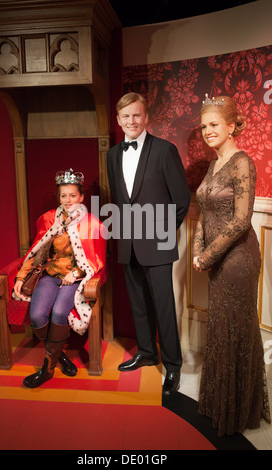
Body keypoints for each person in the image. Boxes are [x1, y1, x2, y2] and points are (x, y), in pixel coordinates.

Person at [193, 94, 271, 436]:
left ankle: (239, 411)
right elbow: (204, 213)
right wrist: (197, 247)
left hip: (238, 259)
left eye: (214, 125)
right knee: (221, 330)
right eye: (204, 126)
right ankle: (219, 404)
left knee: (235, 330)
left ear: (230, 125)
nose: (208, 131)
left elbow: (241, 222)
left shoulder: (243, 162)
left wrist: (207, 256)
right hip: (215, 257)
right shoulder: (213, 165)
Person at [107, 92, 191, 395]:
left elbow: (181, 200)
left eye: (137, 115)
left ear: (146, 117)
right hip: (127, 241)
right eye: (125, 116)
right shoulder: (113, 154)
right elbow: (118, 199)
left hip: (157, 242)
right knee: (138, 302)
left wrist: (162, 233)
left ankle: (173, 366)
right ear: (118, 120)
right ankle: (146, 352)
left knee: (164, 305)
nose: (131, 121)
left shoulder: (164, 150)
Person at [13, 169, 107, 388]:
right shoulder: (48, 219)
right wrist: (21, 276)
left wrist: (75, 273)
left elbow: (98, 259)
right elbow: (36, 251)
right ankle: (60, 356)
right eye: (64, 196)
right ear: (59, 197)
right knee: (37, 316)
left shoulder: (93, 224)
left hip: (73, 279)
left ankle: (47, 368)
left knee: (57, 313)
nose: (68, 200)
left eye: (72, 195)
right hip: (50, 275)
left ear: (81, 197)